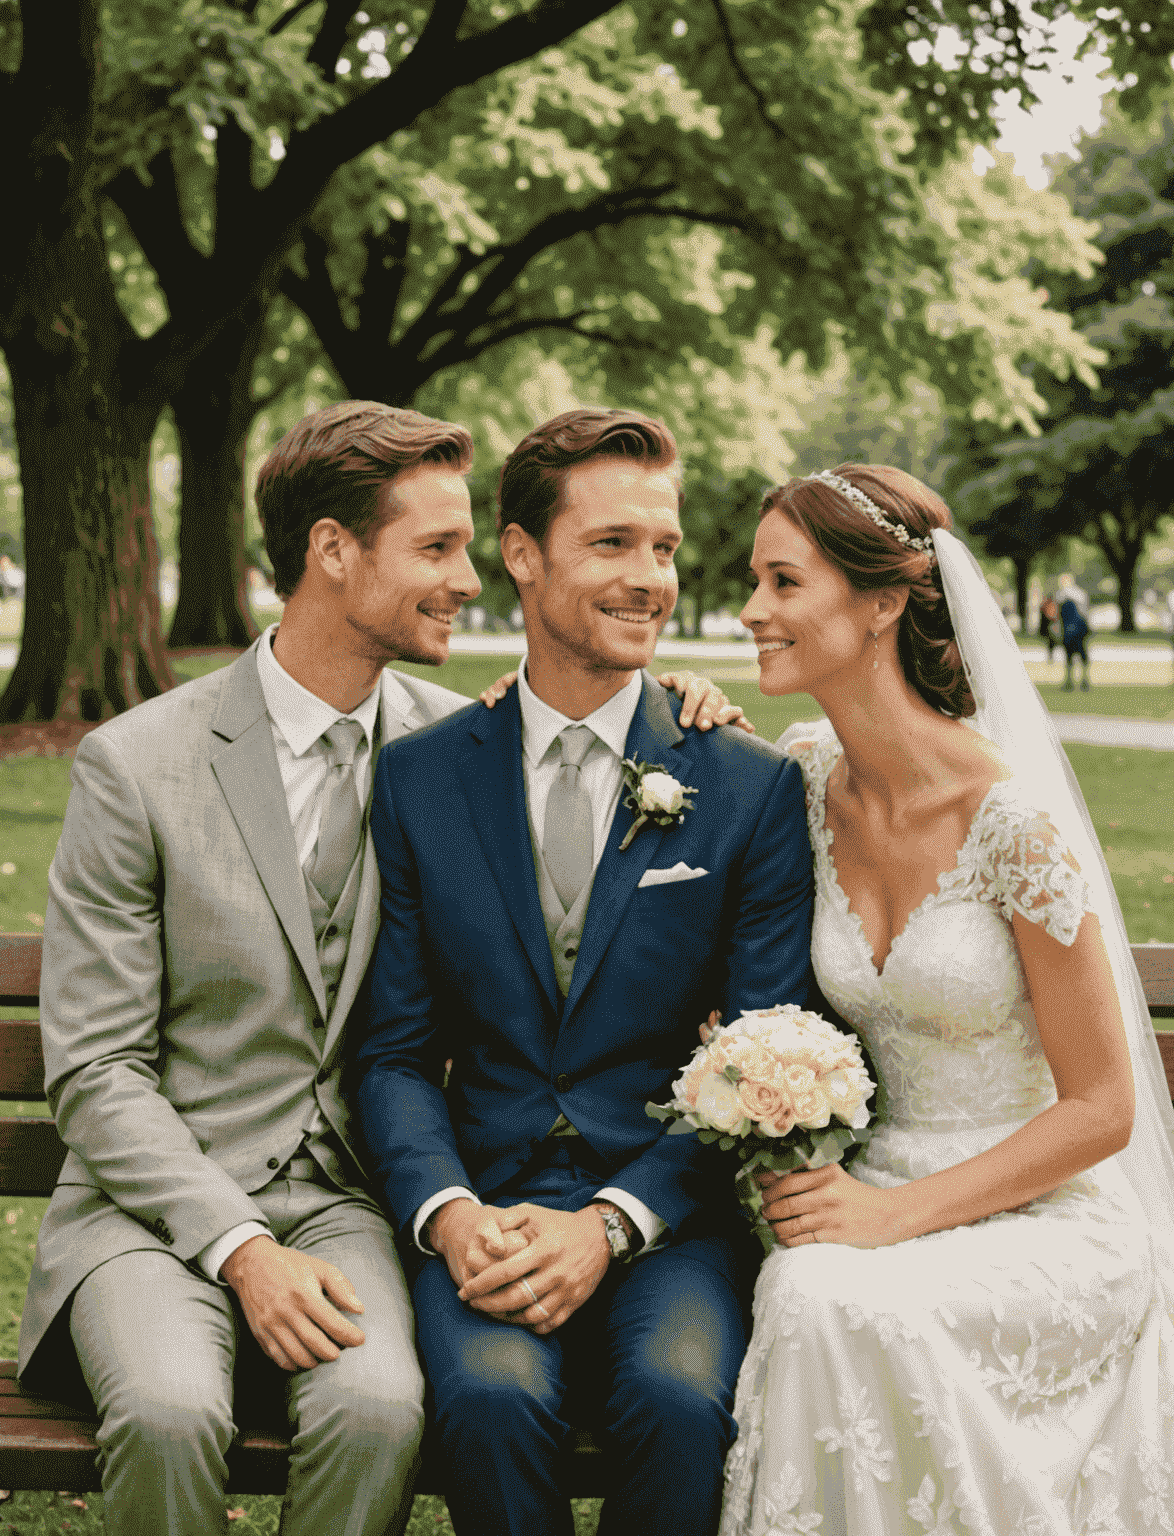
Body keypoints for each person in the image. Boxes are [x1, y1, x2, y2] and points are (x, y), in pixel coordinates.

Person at [16, 397, 750, 1536]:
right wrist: (242, 1247)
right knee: (168, 1413)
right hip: (156, 1209)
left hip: (350, 1203)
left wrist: (687, 713)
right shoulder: (136, 766)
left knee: (378, 1411)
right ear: (331, 551)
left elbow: (591, 741)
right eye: (438, 549)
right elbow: (98, 1069)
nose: (469, 579)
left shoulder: (453, 749)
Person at [720, 463, 1174, 1536]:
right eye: (754, 580)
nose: (752, 609)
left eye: (783, 582)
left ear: (883, 602)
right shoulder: (799, 779)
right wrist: (686, 709)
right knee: (819, 1289)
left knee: (818, 1295)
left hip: (1041, 1222)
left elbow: (1103, 1109)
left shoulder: (1012, 823)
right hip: (869, 1195)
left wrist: (891, 1219)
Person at [357, 406, 817, 1536]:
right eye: (611, 544)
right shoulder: (419, 779)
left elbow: (760, 1056)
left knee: (678, 1399)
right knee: (488, 1399)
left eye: (662, 547)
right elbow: (394, 1049)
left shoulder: (747, 786)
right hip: (488, 1205)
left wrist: (613, 1222)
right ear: (522, 555)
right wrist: (450, 1215)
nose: (650, 578)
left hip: (670, 1212)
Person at [1056, 572, 1090, 691]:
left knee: (1069, 656)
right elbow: (1086, 613)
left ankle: (1070, 682)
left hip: (1069, 630)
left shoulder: (1061, 595)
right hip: (1080, 629)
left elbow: (1059, 616)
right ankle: (1084, 681)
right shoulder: (1080, 594)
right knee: (1082, 655)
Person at [1038, 590, 1058, 663]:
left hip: (1046, 624)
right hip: (1051, 623)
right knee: (1051, 641)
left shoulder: (1045, 604)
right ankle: (1051, 655)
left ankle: (1050, 655)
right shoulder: (1052, 604)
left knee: (1050, 642)